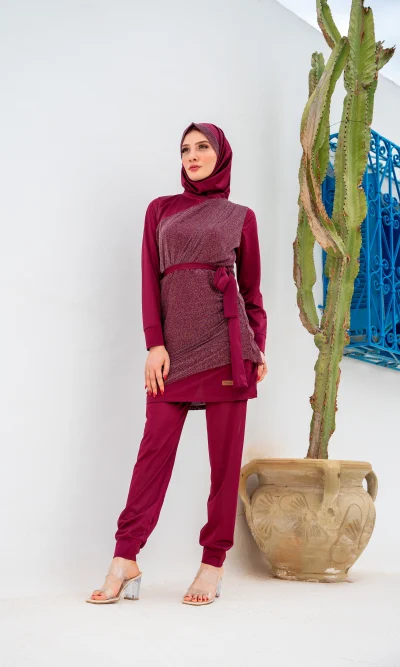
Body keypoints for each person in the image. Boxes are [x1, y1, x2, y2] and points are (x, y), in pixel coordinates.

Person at [86, 122, 268, 606]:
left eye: (202, 146)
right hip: (172, 351)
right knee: (153, 453)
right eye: (185, 148)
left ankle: (213, 563)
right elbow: (150, 276)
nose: (192, 155)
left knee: (223, 465)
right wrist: (155, 343)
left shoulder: (241, 217)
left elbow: (251, 292)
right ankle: (125, 557)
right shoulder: (161, 209)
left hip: (228, 347)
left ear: (221, 154)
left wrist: (257, 347)